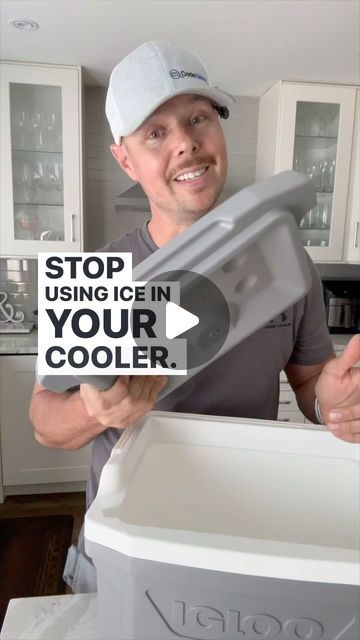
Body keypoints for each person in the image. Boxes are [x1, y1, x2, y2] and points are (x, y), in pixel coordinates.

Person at [29, 41, 360, 593]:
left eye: (198, 118)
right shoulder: (100, 274)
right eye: (155, 133)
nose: (186, 143)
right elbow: (45, 421)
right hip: (128, 549)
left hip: (242, 538)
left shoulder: (284, 258)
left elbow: (309, 382)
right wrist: (96, 408)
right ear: (126, 159)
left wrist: (337, 400)